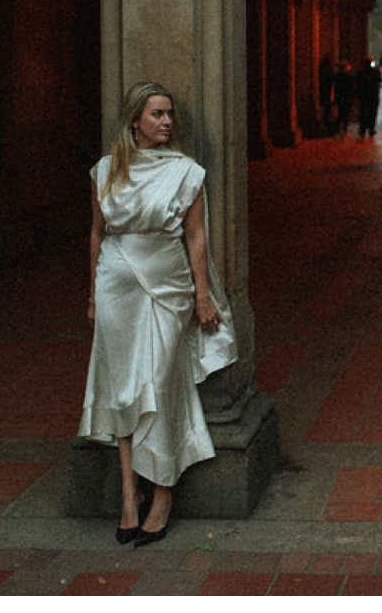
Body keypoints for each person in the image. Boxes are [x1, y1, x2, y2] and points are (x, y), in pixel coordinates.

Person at [81, 81, 237, 548]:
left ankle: (163, 494)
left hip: (170, 288)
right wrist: (92, 294)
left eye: (169, 114)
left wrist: (203, 297)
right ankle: (130, 497)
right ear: (135, 120)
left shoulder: (186, 172)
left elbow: (196, 238)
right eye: (157, 114)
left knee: (164, 385)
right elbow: (96, 233)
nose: (167, 121)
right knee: (122, 388)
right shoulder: (105, 170)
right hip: (116, 285)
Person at [355, 55, 381, 137]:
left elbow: (357, 84)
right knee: (372, 113)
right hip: (373, 96)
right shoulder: (375, 72)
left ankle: (362, 129)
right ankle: (371, 129)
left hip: (364, 96)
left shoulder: (360, 73)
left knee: (363, 113)